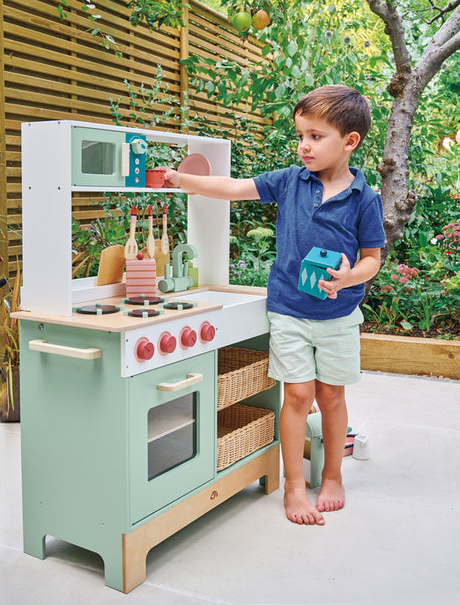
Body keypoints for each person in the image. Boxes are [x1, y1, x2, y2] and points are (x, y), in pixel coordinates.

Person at [161, 84, 385, 526]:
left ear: (350, 141)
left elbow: (372, 259)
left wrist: (348, 278)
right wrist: (183, 180)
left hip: (339, 316)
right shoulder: (289, 181)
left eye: (315, 136)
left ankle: (334, 476)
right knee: (298, 395)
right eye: (301, 135)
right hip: (288, 311)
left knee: (332, 396)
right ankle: (295, 485)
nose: (304, 145)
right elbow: (232, 187)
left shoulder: (365, 198)